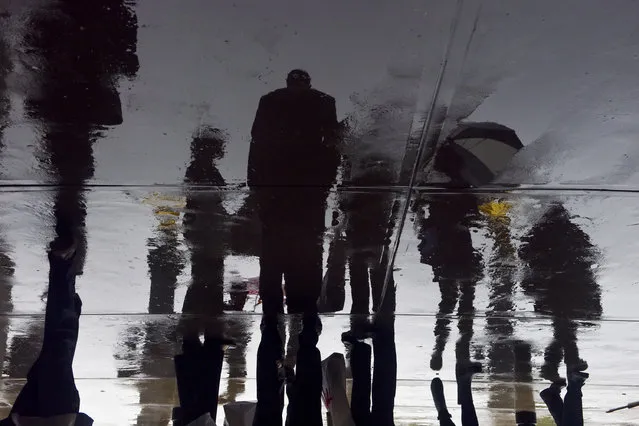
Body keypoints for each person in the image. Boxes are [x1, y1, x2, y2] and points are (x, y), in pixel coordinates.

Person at [248, 69, 340, 316]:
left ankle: (275, 307)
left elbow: (257, 141)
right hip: (307, 185)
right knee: (306, 249)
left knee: (274, 249)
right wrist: (326, 182)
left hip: (278, 183)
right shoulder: (323, 102)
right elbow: (332, 143)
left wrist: (256, 184)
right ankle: (303, 304)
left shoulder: (270, 101)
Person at [0, 224, 93, 426]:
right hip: (56, 416)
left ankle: (68, 297)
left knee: (58, 348)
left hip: (32, 417)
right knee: (59, 347)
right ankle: (62, 267)